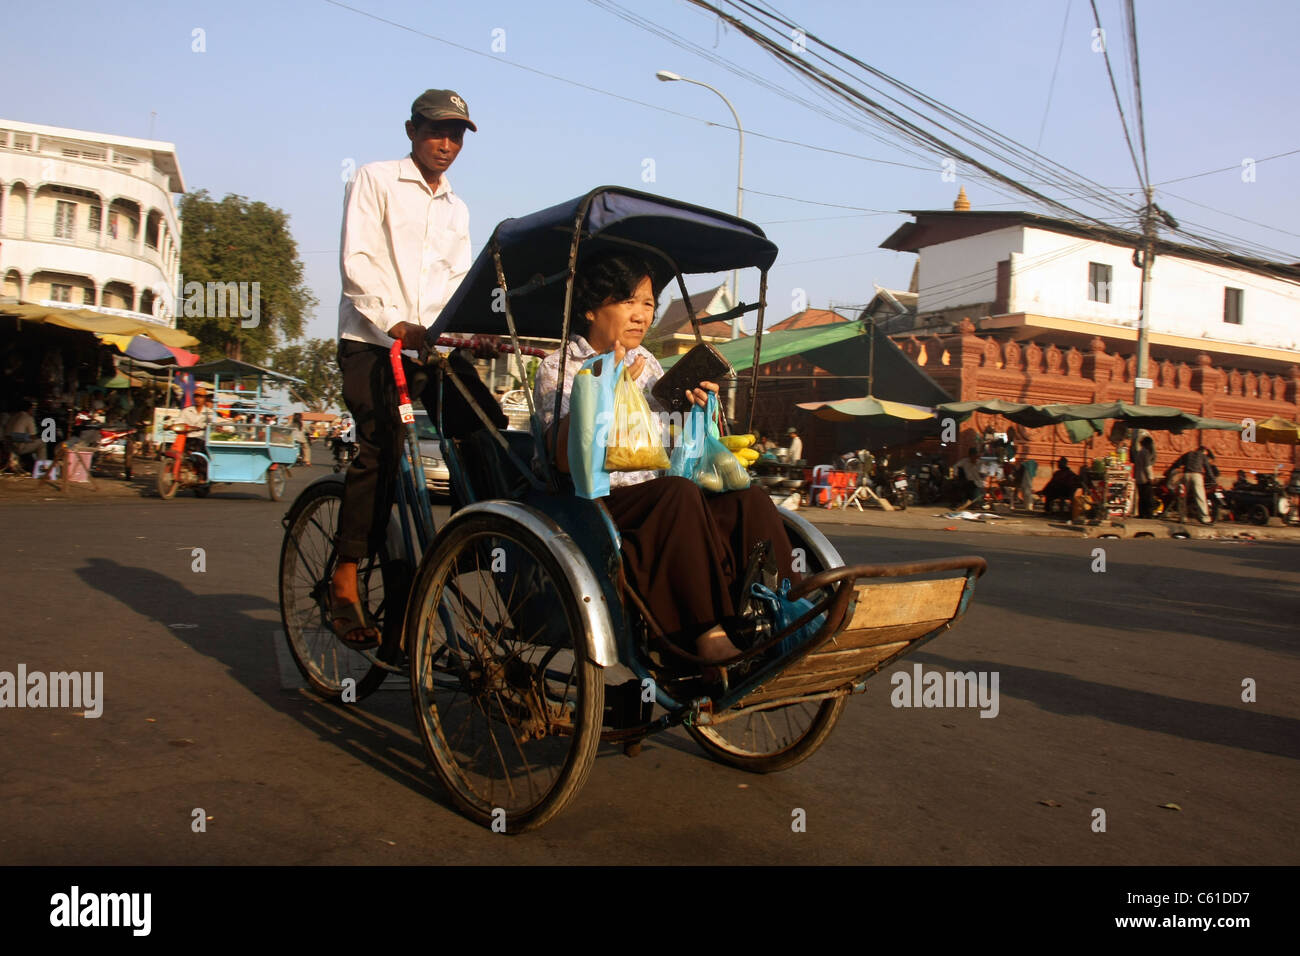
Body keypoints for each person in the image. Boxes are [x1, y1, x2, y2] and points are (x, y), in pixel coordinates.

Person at [534, 252, 799, 677]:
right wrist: (606, 379)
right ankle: (704, 635)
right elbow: (564, 457)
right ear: (590, 308)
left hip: (666, 494)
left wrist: (693, 407)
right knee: (677, 495)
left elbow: (667, 443)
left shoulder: (652, 365)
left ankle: (795, 610)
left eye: (649, 304)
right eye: (628, 301)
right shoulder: (558, 368)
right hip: (602, 504)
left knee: (745, 498)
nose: (641, 316)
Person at [330, 87, 486, 646]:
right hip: (373, 341)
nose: (446, 143)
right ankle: (344, 576)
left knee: (483, 426)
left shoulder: (457, 208)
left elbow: (456, 284)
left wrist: (469, 335)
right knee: (383, 447)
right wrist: (396, 323)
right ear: (411, 130)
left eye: (457, 134)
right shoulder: (374, 178)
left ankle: (485, 541)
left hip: (430, 347)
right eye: (436, 131)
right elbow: (358, 263)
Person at [167, 386, 217, 479]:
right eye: (196, 396)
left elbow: (216, 422)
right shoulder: (186, 410)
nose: (198, 399)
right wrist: (172, 425)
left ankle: (202, 476)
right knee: (174, 450)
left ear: (205, 398)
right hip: (186, 437)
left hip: (200, 438)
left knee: (199, 455)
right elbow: (179, 420)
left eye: (201, 397)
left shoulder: (209, 412)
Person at [1166, 444, 1211, 524]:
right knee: (1200, 496)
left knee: (1183, 497)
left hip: (1186, 475)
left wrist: (1168, 471)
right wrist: (1213, 479)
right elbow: (1208, 469)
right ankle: (1205, 518)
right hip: (1197, 476)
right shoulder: (1203, 456)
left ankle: (1183, 517)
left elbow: (1177, 463)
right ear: (1204, 451)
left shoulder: (1188, 454)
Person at [1134, 435, 1156, 519]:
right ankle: (1149, 514)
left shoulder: (1139, 452)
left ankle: (1142, 514)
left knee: (1142, 497)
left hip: (1139, 478)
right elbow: (1147, 466)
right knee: (1148, 497)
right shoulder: (1146, 452)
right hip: (1145, 479)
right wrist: (1151, 478)